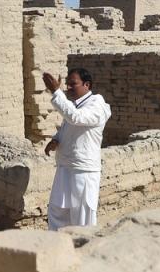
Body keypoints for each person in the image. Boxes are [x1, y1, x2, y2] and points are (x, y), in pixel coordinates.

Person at [41, 67, 111, 230]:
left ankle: (82, 250)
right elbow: (69, 125)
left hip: (83, 171)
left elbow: (75, 118)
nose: (69, 88)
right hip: (65, 167)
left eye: (73, 84)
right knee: (58, 212)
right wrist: (57, 139)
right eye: (67, 84)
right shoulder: (74, 104)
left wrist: (56, 92)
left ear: (87, 85)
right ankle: (57, 249)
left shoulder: (97, 105)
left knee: (82, 217)